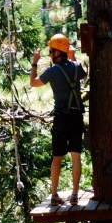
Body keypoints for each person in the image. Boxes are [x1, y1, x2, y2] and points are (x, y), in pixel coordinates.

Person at [30, 34, 86, 206]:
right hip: (77, 117)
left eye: (51, 51)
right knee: (76, 156)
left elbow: (33, 83)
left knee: (57, 157)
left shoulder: (52, 72)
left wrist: (35, 62)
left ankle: (54, 195)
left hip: (62, 119)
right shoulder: (77, 67)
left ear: (56, 53)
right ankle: (75, 195)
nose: (50, 54)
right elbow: (81, 74)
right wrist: (73, 57)